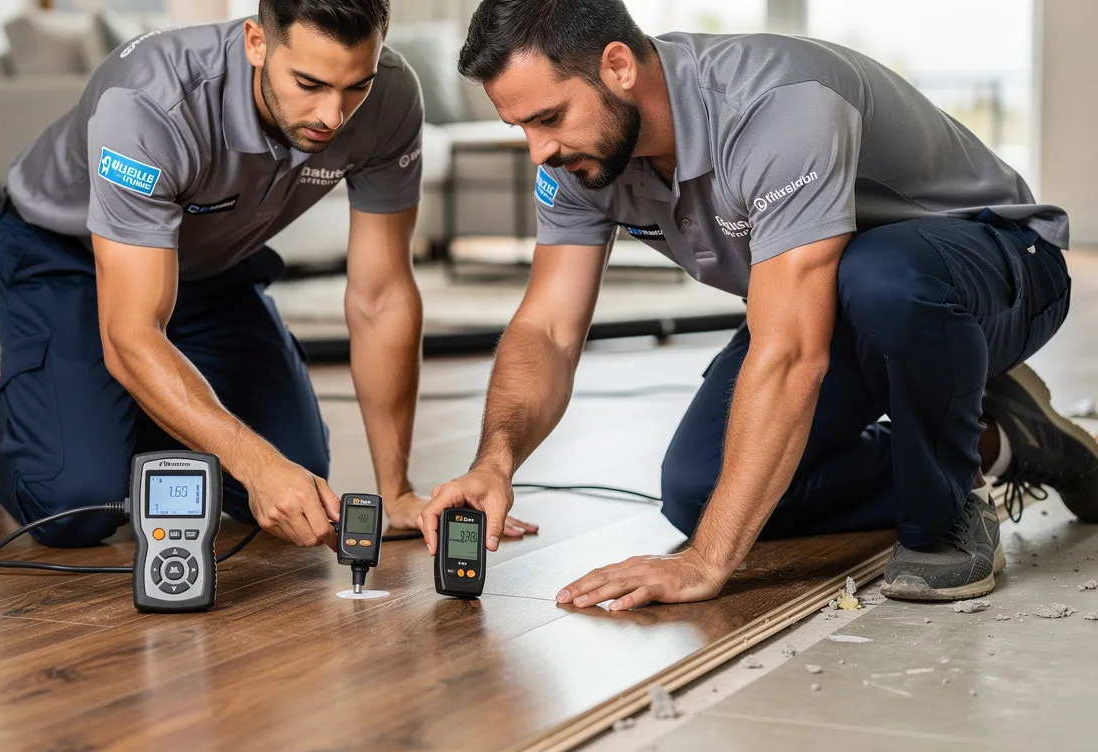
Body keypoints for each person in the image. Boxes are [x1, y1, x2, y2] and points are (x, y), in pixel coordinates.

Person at [421, 0, 1097, 607]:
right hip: (836, 298)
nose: (539, 150)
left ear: (619, 65)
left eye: (548, 118)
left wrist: (707, 562)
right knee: (697, 489)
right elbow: (547, 328)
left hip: (1001, 263)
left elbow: (792, 351)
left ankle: (943, 511)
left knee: (879, 273)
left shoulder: (776, 105)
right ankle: (1003, 441)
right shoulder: (580, 159)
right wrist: (496, 460)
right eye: (521, 127)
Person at [0, 0, 536, 549]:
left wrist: (395, 490)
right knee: (77, 505)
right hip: (67, 257)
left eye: (357, 86)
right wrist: (250, 460)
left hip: (207, 267)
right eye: (309, 83)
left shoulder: (391, 98)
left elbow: (380, 297)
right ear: (255, 42)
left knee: (290, 485)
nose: (334, 115)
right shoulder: (148, 103)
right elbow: (131, 332)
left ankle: (96, 405)